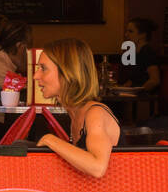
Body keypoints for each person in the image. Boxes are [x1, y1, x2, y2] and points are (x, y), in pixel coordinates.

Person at [33, 38, 120, 179]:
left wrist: (50, 140)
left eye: (43, 68)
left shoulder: (95, 113)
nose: (36, 76)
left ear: (67, 72)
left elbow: (98, 168)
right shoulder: (75, 112)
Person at [117, 17, 160, 92]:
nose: (126, 35)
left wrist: (138, 92)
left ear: (142, 35)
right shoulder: (134, 52)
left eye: (130, 31)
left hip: (144, 98)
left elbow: (155, 80)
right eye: (126, 31)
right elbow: (134, 78)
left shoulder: (147, 52)